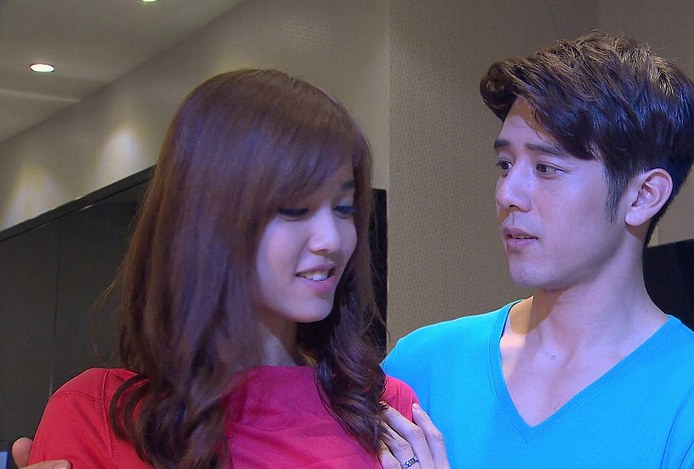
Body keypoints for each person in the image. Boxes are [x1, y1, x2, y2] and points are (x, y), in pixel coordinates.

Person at [381, 32, 694, 467]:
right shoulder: (422, 367)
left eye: (546, 168)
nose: (508, 194)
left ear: (643, 196)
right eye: (505, 165)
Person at [19, 68, 423, 468]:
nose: (331, 240)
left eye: (344, 208)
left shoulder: (388, 414)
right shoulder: (96, 417)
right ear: (207, 218)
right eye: (295, 208)